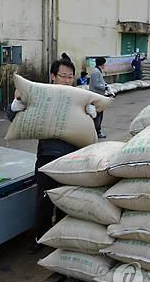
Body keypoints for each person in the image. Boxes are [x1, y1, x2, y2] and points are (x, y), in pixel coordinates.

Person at [8, 53, 97, 253]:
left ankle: (64, 240)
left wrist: (94, 115)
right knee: (44, 201)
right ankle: (41, 238)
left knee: (68, 201)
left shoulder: (80, 98)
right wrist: (15, 107)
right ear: (53, 77)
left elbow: (94, 129)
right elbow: (12, 114)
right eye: (63, 76)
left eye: (70, 76)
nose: (67, 80)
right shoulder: (42, 94)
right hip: (48, 156)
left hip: (74, 157)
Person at [89, 57, 110, 138]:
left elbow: (100, 82)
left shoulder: (97, 71)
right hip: (96, 96)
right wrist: (105, 88)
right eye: (105, 63)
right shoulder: (96, 72)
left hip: (99, 95)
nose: (105, 65)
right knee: (98, 115)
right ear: (102, 64)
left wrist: (106, 85)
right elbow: (96, 84)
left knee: (99, 114)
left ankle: (97, 130)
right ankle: (97, 131)